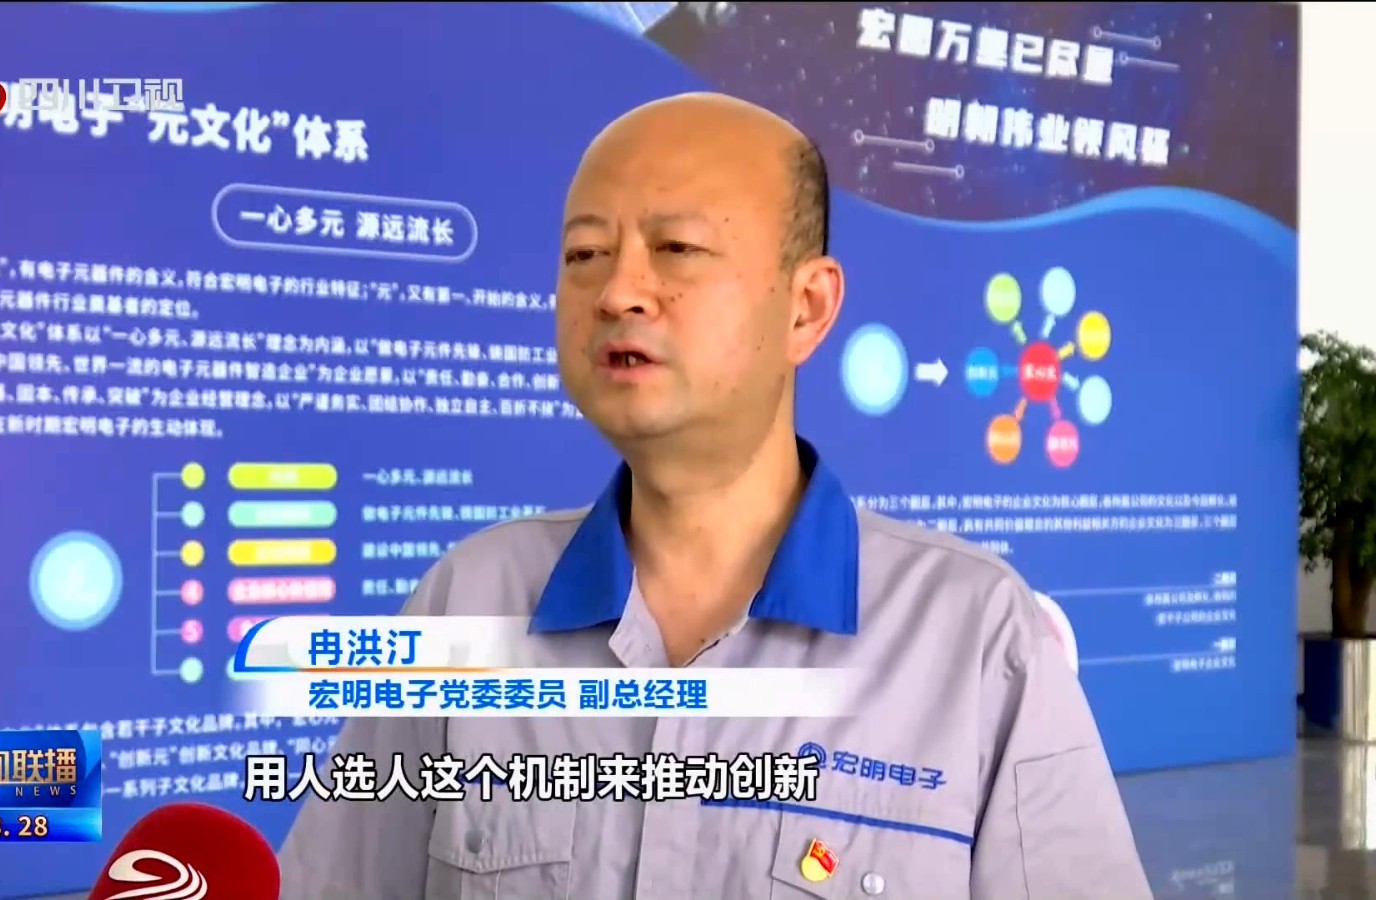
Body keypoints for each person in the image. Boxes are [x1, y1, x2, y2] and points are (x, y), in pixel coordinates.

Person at [278, 91, 1152, 899]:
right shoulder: (466, 602)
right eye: (584, 254)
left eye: (677, 249)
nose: (617, 291)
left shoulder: (974, 636)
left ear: (807, 308)